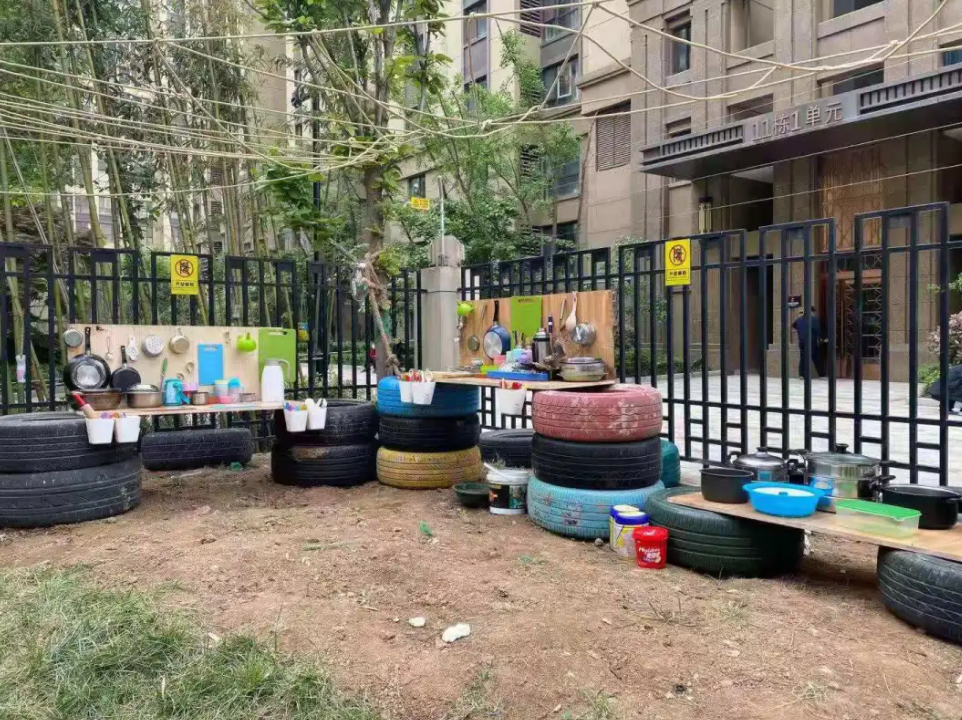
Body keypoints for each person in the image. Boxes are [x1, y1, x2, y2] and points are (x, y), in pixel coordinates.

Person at [791, 307, 824, 379]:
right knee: (816, 357)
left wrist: (798, 331)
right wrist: (822, 339)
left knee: (803, 358)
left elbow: (793, 326)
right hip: (811, 341)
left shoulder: (799, 319)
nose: (814, 314)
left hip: (802, 341)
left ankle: (801, 375)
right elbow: (818, 330)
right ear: (811, 312)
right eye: (813, 312)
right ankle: (821, 374)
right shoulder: (814, 319)